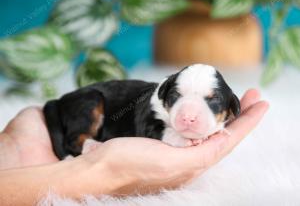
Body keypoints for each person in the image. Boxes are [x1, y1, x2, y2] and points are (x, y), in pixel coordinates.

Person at [0, 89, 268, 206]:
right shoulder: (153, 111)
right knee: (89, 107)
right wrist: (99, 173)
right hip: (75, 109)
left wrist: (13, 147)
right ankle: (77, 141)